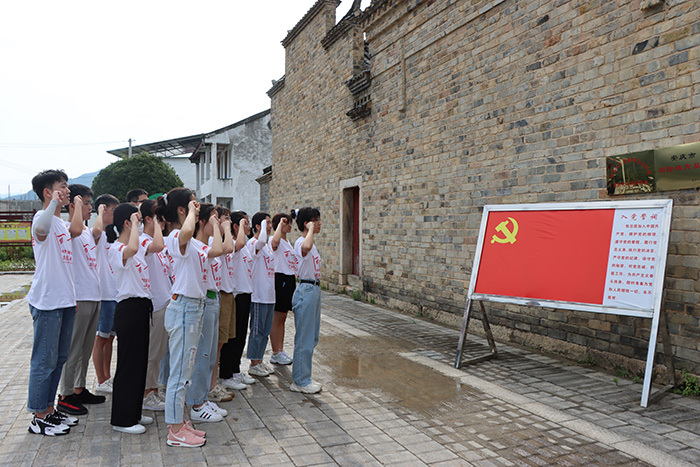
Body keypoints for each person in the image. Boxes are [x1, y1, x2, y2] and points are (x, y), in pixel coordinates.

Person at [26, 169, 78, 435]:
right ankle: (38, 416)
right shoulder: (42, 218)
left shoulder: (60, 223)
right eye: (62, 186)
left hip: (65, 300)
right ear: (48, 192)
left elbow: (75, 231)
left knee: (58, 360)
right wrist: (54, 203)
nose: (68, 191)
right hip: (47, 302)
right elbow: (40, 229)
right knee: (43, 361)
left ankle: (49, 409)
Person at [156, 188, 208, 447]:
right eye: (192, 204)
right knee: (179, 371)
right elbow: (186, 232)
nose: (197, 209)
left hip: (193, 306)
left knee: (184, 369)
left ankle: (179, 420)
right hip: (184, 308)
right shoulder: (175, 236)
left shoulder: (189, 239)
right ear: (181, 210)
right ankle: (175, 430)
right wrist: (191, 213)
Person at [107, 203, 157, 434]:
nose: (140, 223)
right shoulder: (117, 248)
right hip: (128, 309)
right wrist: (136, 224)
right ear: (127, 223)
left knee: (139, 363)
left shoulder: (134, 249)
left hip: (141, 307)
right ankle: (122, 419)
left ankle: (134, 411)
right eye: (135, 219)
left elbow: (149, 246)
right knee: (128, 364)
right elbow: (133, 246)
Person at [57, 184, 105, 416]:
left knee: (85, 349)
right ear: (73, 205)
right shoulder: (69, 228)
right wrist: (75, 206)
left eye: (89, 204)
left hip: (93, 296)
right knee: (73, 349)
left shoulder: (85, 231)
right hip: (80, 297)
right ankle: (65, 395)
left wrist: (101, 212)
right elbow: (75, 228)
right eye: (85, 203)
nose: (89, 208)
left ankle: (79, 388)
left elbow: (97, 230)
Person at [186, 203, 228, 423]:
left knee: (210, 355)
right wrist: (216, 225)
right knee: (202, 355)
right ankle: (196, 403)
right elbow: (220, 249)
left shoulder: (207, 244)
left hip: (213, 298)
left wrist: (218, 225)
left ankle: (202, 398)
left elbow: (224, 247)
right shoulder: (195, 245)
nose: (217, 222)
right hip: (203, 301)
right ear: (202, 222)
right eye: (213, 218)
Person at [219, 211, 255, 390]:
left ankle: (235, 370)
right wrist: (240, 224)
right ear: (235, 226)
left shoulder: (245, 246)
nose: (248, 227)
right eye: (245, 223)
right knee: (232, 338)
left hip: (246, 293)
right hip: (236, 294)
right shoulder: (233, 243)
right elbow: (239, 243)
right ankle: (227, 374)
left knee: (241, 337)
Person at [139, 199, 170, 411]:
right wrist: (157, 227)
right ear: (148, 219)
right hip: (154, 305)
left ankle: (154, 389)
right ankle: (146, 394)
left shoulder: (156, 241)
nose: (164, 222)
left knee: (159, 352)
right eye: (159, 218)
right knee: (151, 352)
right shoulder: (143, 240)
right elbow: (157, 246)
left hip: (164, 301)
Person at [290, 207, 323, 394]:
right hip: (306, 289)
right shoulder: (301, 241)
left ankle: (304, 375)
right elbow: (306, 248)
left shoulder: (310, 241)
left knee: (312, 336)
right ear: (306, 223)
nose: (319, 223)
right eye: (315, 220)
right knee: (304, 337)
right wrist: (309, 230)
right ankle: (300, 381)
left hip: (314, 289)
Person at [91, 194, 119, 395]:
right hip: (105, 294)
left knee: (110, 338)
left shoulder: (113, 234)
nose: (114, 214)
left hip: (117, 294)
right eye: (112, 210)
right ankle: (100, 379)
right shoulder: (97, 234)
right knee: (101, 337)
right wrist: (100, 213)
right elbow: (96, 230)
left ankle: (107, 377)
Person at [208, 205, 235, 403]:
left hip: (222, 293)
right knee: (213, 346)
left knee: (219, 343)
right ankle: (210, 386)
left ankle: (212, 383)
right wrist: (225, 228)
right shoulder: (211, 240)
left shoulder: (220, 239)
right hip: (213, 294)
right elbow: (228, 248)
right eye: (218, 218)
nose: (224, 222)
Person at [247, 212, 277, 377]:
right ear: (258, 226)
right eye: (267, 223)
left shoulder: (267, 246)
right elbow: (261, 240)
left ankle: (259, 360)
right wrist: (263, 228)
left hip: (269, 295)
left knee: (265, 332)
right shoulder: (253, 243)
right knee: (257, 331)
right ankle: (253, 362)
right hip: (258, 295)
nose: (270, 226)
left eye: (271, 223)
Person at [269, 213, 297, 365]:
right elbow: (274, 243)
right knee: (277, 317)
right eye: (287, 223)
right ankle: (275, 352)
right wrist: (280, 224)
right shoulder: (275, 239)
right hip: (280, 278)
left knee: (283, 318)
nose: (290, 225)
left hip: (289, 278)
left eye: (290, 222)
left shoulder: (288, 242)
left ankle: (280, 349)